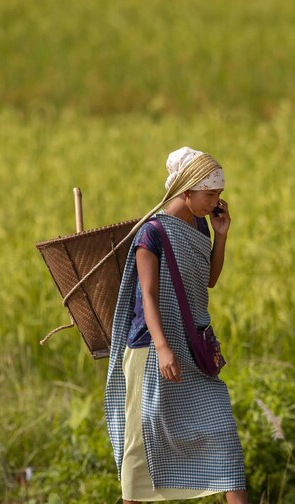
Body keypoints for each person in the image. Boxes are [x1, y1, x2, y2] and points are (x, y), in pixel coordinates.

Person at [105, 147, 248, 503]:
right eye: (210, 194)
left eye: (219, 194)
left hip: (193, 348)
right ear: (186, 191)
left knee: (224, 436)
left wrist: (222, 235)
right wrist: (164, 347)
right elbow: (148, 297)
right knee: (142, 444)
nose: (216, 201)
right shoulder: (151, 234)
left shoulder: (200, 225)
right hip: (151, 350)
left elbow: (208, 280)